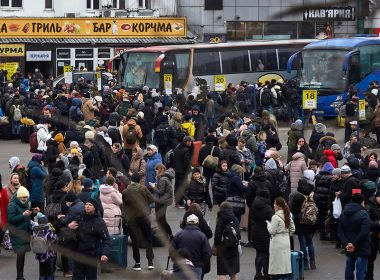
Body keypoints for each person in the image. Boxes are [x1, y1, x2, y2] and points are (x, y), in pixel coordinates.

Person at [68, 198, 111, 280]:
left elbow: (106, 239)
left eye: (90, 205)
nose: (87, 206)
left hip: (91, 255)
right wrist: (69, 227)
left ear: (95, 208)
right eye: (86, 204)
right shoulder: (80, 217)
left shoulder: (99, 222)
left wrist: (105, 253)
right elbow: (69, 231)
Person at [122, 172, 155, 271]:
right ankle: (150, 262)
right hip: (144, 217)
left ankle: (137, 263)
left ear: (131, 179)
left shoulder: (126, 191)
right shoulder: (143, 188)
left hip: (132, 219)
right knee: (148, 238)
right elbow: (151, 200)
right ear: (139, 180)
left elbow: (124, 205)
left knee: (135, 241)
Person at [7, 186, 40, 280]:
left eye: (26, 197)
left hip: (25, 233)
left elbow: (27, 215)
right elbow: (11, 219)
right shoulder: (12, 206)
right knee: (20, 254)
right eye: (23, 197)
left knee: (23, 254)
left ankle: (20, 275)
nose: (25, 199)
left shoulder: (25, 203)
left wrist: (33, 212)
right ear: (18, 197)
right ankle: (19, 276)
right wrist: (22, 215)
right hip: (17, 233)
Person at [338, 194, 371, 280]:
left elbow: (340, 232)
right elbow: (365, 232)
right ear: (362, 202)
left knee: (349, 269)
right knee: (361, 271)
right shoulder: (364, 213)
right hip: (362, 246)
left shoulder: (344, 213)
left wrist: (347, 244)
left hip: (348, 246)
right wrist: (355, 245)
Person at [173, 214, 212, 279]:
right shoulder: (202, 236)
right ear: (197, 223)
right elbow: (207, 254)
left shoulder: (178, 235)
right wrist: (204, 266)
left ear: (186, 223)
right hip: (196, 266)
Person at [290, 177, 317, 270]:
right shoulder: (313, 195)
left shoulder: (297, 196)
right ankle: (313, 262)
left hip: (301, 222)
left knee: (302, 242)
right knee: (310, 242)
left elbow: (293, 210)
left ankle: (305, 263)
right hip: (311, 222)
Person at [267, 197, 295, 280]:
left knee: (277, 267)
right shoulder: (287, 214)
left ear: (278, 205)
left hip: (277, 243)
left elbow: (272, 231)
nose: (273, 205)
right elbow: (293, 229)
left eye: (274, 203)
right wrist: (286, 234)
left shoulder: (275, 217)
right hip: (286, 241)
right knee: (285, 266)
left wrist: (268, 224)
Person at [213, 201, 241, 280]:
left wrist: (216, 244)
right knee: (233, 273)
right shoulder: (234, 218)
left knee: (222, 273)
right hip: (233, 248)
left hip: (223, 249)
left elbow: (218, 236)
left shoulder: (220, 219)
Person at [250, 189, 273, 280]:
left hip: (255, 232)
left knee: (258, 253)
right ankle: (266, 275)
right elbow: (272, 220)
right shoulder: (268, 208)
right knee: (265, 255)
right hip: (265, 233)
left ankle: (257, 273)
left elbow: (251, 218)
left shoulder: (253, 205)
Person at [31, 212, 58, 280]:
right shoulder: (49, 230)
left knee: (42, 270)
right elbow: (55, 239)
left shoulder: (36, 230)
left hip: (40, 254)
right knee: (49, 270)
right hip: (49, 254)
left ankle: (41, 278)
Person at [152, 164, 175, 240]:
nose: (155, 171)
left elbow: (160, 191)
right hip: (164, 200)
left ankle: (169, 235)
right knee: (162, 219)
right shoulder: (165, 177)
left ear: (160, 170)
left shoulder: (162, 179)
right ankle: (168, 235)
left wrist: (154, 186)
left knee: (161, 220)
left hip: (162, 200)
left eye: (156, 169)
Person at [173, 136, 193, 207]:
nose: (191, 142)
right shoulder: (186, 150)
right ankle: (182, 201)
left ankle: (177, 202)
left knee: (177, 185)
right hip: (183, 171)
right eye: (190, 141)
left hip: (177, 170)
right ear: (186, 142)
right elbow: (186, 162)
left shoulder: (177, 148)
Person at [365, 190, 380, 280]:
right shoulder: (369, 206)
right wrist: (378, 223)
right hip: (373, 236)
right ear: (377, 197)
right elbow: (367, 223)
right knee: (370, 259)